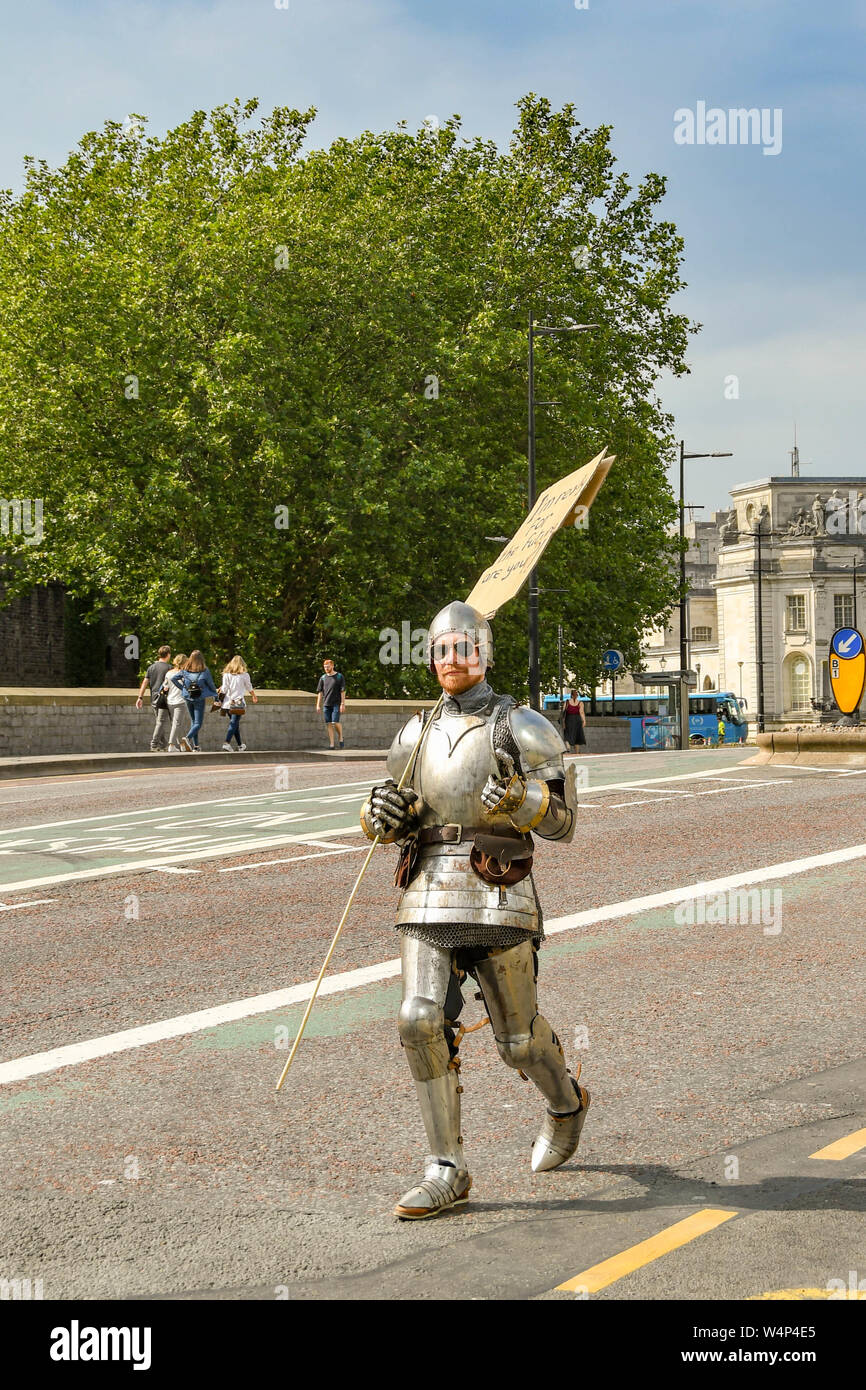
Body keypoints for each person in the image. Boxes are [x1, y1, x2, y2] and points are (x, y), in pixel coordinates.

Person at [360, 599, 588, 1220]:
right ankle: (446, 1168)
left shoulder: (524, 727)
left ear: (484, 654)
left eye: (464, 648)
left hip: (498, 888)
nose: (451, 660)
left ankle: (566, 1103)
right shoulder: (413, 733)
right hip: (429, 885)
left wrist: (523, 799)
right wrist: (378, 818)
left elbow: (564, 823)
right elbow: (394, 812)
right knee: (417, 1018)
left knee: (517, 1042)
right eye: (440, 649)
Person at [170, 650, 217, 751]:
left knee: (193, 721)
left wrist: (183, 689)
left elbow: (173, 678)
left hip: (188, 697)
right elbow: (211, 685)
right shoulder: (205, 670)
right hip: (199, 698)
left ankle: (196, 746)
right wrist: (216, 696)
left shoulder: (185, 670)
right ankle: (187, 738)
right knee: (198, 723)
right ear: (201, 659)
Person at [135, 645, 172, 751]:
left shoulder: (151, 667)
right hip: (164, 699)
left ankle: (163, 745)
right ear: (168, 654)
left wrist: (140, 697)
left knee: (159, 722)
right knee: (161, 722)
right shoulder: (169, 668)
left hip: (154, 699)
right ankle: (154, 744)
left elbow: (145, 683)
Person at [219, 655, 258, 751]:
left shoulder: (226, 675)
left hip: (227, 703)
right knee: (233, 723)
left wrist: (219, 700)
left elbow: (224, 689)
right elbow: (249, 687)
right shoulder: (245, 675)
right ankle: (226, 742)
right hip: (238, 703)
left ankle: (240, 745)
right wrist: (254, 695)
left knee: (235, 724)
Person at [315, 658, 346, 749]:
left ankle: (340, 737)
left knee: (335, 722)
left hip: (336, 703)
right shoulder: (323, 678)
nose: (326, 668)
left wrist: (343, 704)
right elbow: (320, 692)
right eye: (325, 667)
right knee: (328, 723)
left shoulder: (339, 676)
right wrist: (318, 705)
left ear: (332, 666)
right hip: (326, 704)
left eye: (328, 666)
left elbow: (343, 691)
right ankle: (332, 744)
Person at [164, 653, 188, 752]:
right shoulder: (184, 673)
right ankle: (171, 744)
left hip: (170, 700)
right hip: (180, 700)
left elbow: (165, 687)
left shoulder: (169, 673)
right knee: (177, 723)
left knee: (178, 723)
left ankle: (182, 745)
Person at [561, 689, 587, 753]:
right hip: (577, 720)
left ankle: (568, 747)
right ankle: (577, 753)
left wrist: (563, 721)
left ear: (571, 695)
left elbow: (564, 712)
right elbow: (581, 712)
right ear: (577, 695)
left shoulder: (567, 702)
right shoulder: (580, 703)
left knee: (567, 734)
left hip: (568, 719)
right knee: (577, 736)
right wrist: (584, 720)